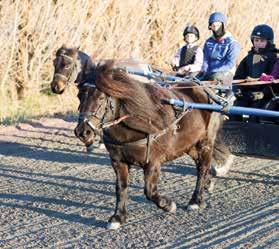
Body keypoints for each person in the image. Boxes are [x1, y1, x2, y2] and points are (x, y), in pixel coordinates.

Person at [233, 24, 278, 114]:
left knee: (256, 112)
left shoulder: (273, 58)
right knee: (235, 109)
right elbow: (238, 76)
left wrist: (263, 94)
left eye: (262, 41)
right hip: (247, 93)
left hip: (264, 96)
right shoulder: (248, 58)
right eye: (256, 40)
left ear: (269, 42)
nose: (258, 43)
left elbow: (274, 80)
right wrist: (238, 89)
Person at [201, 12, 241, 86]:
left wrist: (214, 70)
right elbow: (205, 59)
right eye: (213, 26)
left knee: (215, 77)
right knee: (193, 79)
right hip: (209, 71)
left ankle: (227, 94)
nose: (216, 29)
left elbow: (230, 64)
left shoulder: (232, 43)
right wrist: (205, 70)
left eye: (218, 25)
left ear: (223, 25)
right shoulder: (208, 42)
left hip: (226, 72)